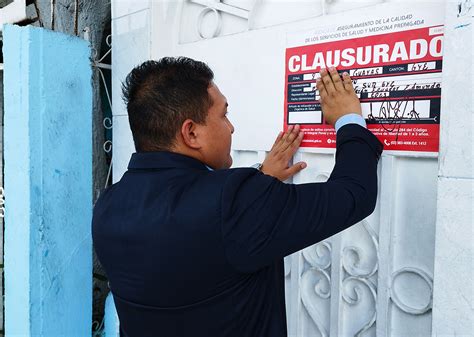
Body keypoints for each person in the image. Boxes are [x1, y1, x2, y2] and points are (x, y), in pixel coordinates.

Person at [92, 57, 383, 337]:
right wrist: (348, 119)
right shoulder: (234, 203)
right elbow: (354, 193)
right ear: (191, 133)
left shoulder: (108, 207)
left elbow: (196, 244)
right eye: (223, 114)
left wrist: (261, 181)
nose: (231, 127)